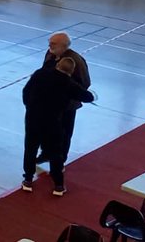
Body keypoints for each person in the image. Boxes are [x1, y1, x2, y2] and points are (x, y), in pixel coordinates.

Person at [22, 57, 95, 196]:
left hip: (33, 118)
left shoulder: (40, 74)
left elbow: (26, 91)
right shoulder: (68, 83)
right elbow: (87, 96)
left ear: (58, 65)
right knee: (56, 153)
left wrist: (29, 106)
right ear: (71, 71)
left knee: (30, 148)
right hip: (53, 121)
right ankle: (58, 185)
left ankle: (28, 180)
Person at [36, 32, 90, 165]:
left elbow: (85, 83)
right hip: (49, 104)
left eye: (53, 43)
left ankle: (60, 160)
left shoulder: (76, 61)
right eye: (50, 42)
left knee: (64, 133)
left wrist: (67, 91)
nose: (49, 45)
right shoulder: (50, 54)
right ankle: (46, 153)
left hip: (67, 106)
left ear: (64, 45)